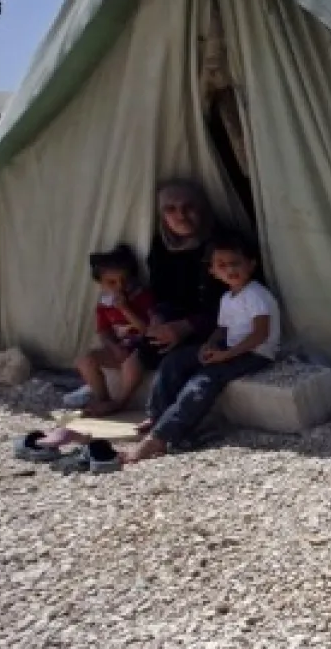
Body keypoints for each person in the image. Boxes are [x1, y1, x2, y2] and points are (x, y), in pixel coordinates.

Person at [123, 232, 280, 464]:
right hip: (231, 346)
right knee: (175, 361)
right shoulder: (228, 297)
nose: (229, 270)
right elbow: (223, 328)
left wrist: (225, 355)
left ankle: (160, 438)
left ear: (251, 264)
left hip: (254, 352)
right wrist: (210, 344)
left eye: (235, 263)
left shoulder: (256, 295)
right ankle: (158, 417)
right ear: (213, 271)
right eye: (221, 265)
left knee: (203, 380)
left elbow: (260, 334)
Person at [144, 179, 228, 358]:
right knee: (143, 355)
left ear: (201, 209)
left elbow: (237, 302)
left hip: (216, 329)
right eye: (171, 209)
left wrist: (189, 325)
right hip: (174, 325)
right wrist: (157, 317)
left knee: (176, 364)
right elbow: (159, 290)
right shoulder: (161, 246)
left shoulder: (225, 244)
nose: (181, 216)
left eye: (189, 207)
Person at [74, 244, 156, 417]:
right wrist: (113, 346)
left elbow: (147, 330)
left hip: (142, 349)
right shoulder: (104, 303)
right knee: (85, 360)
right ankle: (102, 399)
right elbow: (103, 331)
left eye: (124, 281)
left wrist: (126, 309)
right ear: (101, 283)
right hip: (120, 348)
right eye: (111, 282)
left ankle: (121, 402)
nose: (119, 286)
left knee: (131, 363)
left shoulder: (142, 297)